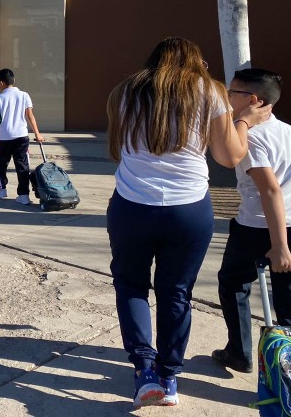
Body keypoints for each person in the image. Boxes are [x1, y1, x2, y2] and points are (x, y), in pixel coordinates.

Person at [105, 37, 271, 408]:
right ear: (196, 61)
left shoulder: (123, 91)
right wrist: (243, 120)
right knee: (176, 291)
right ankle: (169, 377)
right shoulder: (208, 91)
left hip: (131, 206)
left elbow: (118, 147)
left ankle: (144, 370)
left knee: (131, 285)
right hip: (189, 210)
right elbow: (229, 156)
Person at [213, 68, 291, 374]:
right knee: (286, 297)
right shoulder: (285, 130)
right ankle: (284, 367)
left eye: (233, 93)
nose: (228, 98)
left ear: (253, 100)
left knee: (233, 284)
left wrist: (280, 245)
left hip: (259, 227)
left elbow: (270, 189)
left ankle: (240, 352)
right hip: (283, 223)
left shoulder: (250, 137)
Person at [0, 68, 44, 204]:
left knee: (1, 163)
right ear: (14, 80)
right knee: (22, 164)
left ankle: (1, 189)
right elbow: (30, 116)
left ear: (1, 83)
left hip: (5, 136)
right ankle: (24, 195)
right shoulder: (24, 95)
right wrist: (38, 134)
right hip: (21, 136)